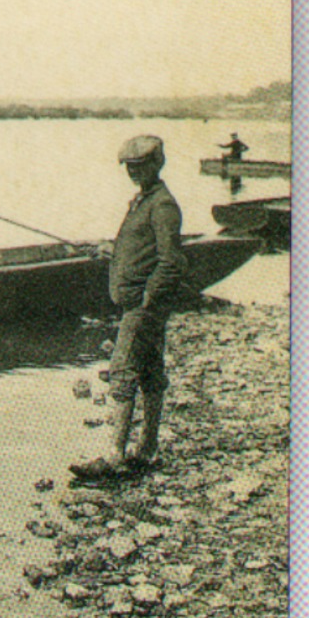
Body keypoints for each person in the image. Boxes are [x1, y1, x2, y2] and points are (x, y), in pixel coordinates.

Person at [71, 135, 187, 481]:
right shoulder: (143, 202)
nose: (134, 173)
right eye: (130, 168)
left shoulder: (162, 205)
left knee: (121, 373)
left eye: (140, 167)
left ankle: (114, 456)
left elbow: (171, 261)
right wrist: (110, 250)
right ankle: (147, 452)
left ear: (157, 164)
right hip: (140, 305)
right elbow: (143, 249)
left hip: (141, 307)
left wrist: (147, 299)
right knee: (150, 373)